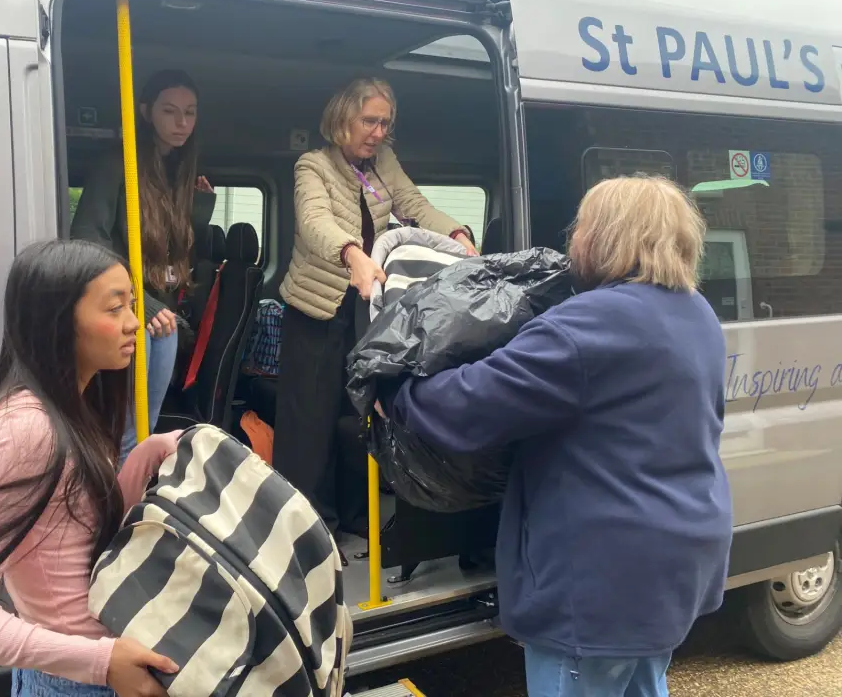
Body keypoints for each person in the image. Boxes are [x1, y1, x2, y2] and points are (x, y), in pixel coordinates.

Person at [383, 174, 733, 696]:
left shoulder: (588, 324)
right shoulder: (696, 313)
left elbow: (472, 405)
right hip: (676, 564)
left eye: (584, 225)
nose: (575, 236)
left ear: (607, 236)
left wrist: (395, 393)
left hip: (599, 582)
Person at [0, 240, 183, 697]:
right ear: (58, 323)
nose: (134, 323)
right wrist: (101, 661)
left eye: (132, 305)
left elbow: (75, 529)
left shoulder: (74, 406)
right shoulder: (23, 429)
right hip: (79, 681)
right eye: (115, 308)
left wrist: (149, 454)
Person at [274, 77, 478, 545]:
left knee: (356, 415)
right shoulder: (314, 165)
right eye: (369, 120)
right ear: (342, 118)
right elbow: (314, 221)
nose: (378, 131)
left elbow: (414, 205)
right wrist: (352, 254)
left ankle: (353, 514)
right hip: (316, 309)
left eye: (385, 122)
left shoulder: (382, 163)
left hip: (367, 307)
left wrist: (457, 236)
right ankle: (308, 527)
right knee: (310, 422)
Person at [72, 69, 215, 458]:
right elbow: (88, 241)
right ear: (146, 111)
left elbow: (176, 253)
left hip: (160, 316)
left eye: (190, 112)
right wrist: (141, 303)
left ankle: (132, 498)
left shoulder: (179, 171)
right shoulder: (117, 163)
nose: (182, 122)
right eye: (170, 111)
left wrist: (200, 209)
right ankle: (116, 509)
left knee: (147, 429)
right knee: (124, 433)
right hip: (124, 313)